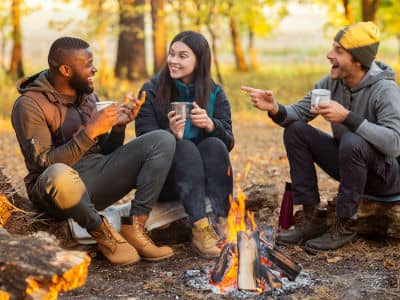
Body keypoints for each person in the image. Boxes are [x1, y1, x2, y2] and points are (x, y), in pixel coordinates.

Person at [11, 37, 176, 265]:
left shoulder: (88, 95)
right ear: (66, 70)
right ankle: (102, 232)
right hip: (57, 192)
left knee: (162, 140)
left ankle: (134, 225)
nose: (94, 69)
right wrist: (89, 132)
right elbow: (44, 163)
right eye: (88, 64)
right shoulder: (30, 105)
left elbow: (105, 152)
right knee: (58, 174)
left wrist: (118, 128)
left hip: (94, 178)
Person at [242, 22, 400, 252]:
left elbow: (395, 144)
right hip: (350, 165)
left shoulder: (384, 90)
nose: (329, 55)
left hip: (385, 176)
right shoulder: (331, 83)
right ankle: (312, 217)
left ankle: (345, 224)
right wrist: (275, 108)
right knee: (296, 130)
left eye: (339, 50)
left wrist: (348, 117)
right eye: (331, 48)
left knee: (352, 141)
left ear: (358, 60)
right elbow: (297, 113)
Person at [135, 31, 234, 258]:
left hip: (203, 182)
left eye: (182, 56)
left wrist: (211, 125)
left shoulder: (214, 93)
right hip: (165, 181)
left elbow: (228, 142)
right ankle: (201, 230)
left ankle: (222, 220)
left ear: (199, 61)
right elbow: (142, 143)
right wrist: (169, 136)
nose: (173, 61)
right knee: (185, 147)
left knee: (215, 145)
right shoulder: (151, 91)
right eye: (172, 54)